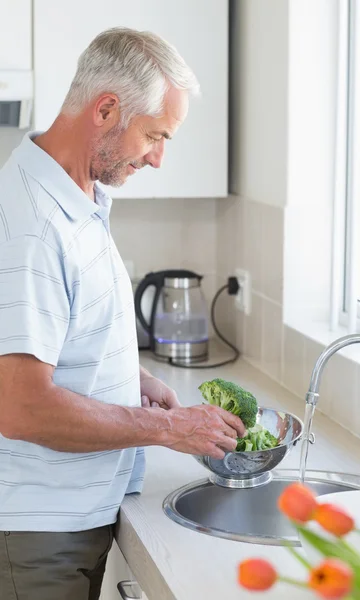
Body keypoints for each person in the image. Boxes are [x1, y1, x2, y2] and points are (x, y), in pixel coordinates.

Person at [0, 27, 245, 600]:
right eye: (154, 135)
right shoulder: (32, 224)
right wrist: (168, 428)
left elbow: (51, 337)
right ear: (106, 110)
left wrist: (129, 379)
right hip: (38, 535)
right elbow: (19, 406)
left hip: (74, 516)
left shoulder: (79, 196)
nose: (159, 157)